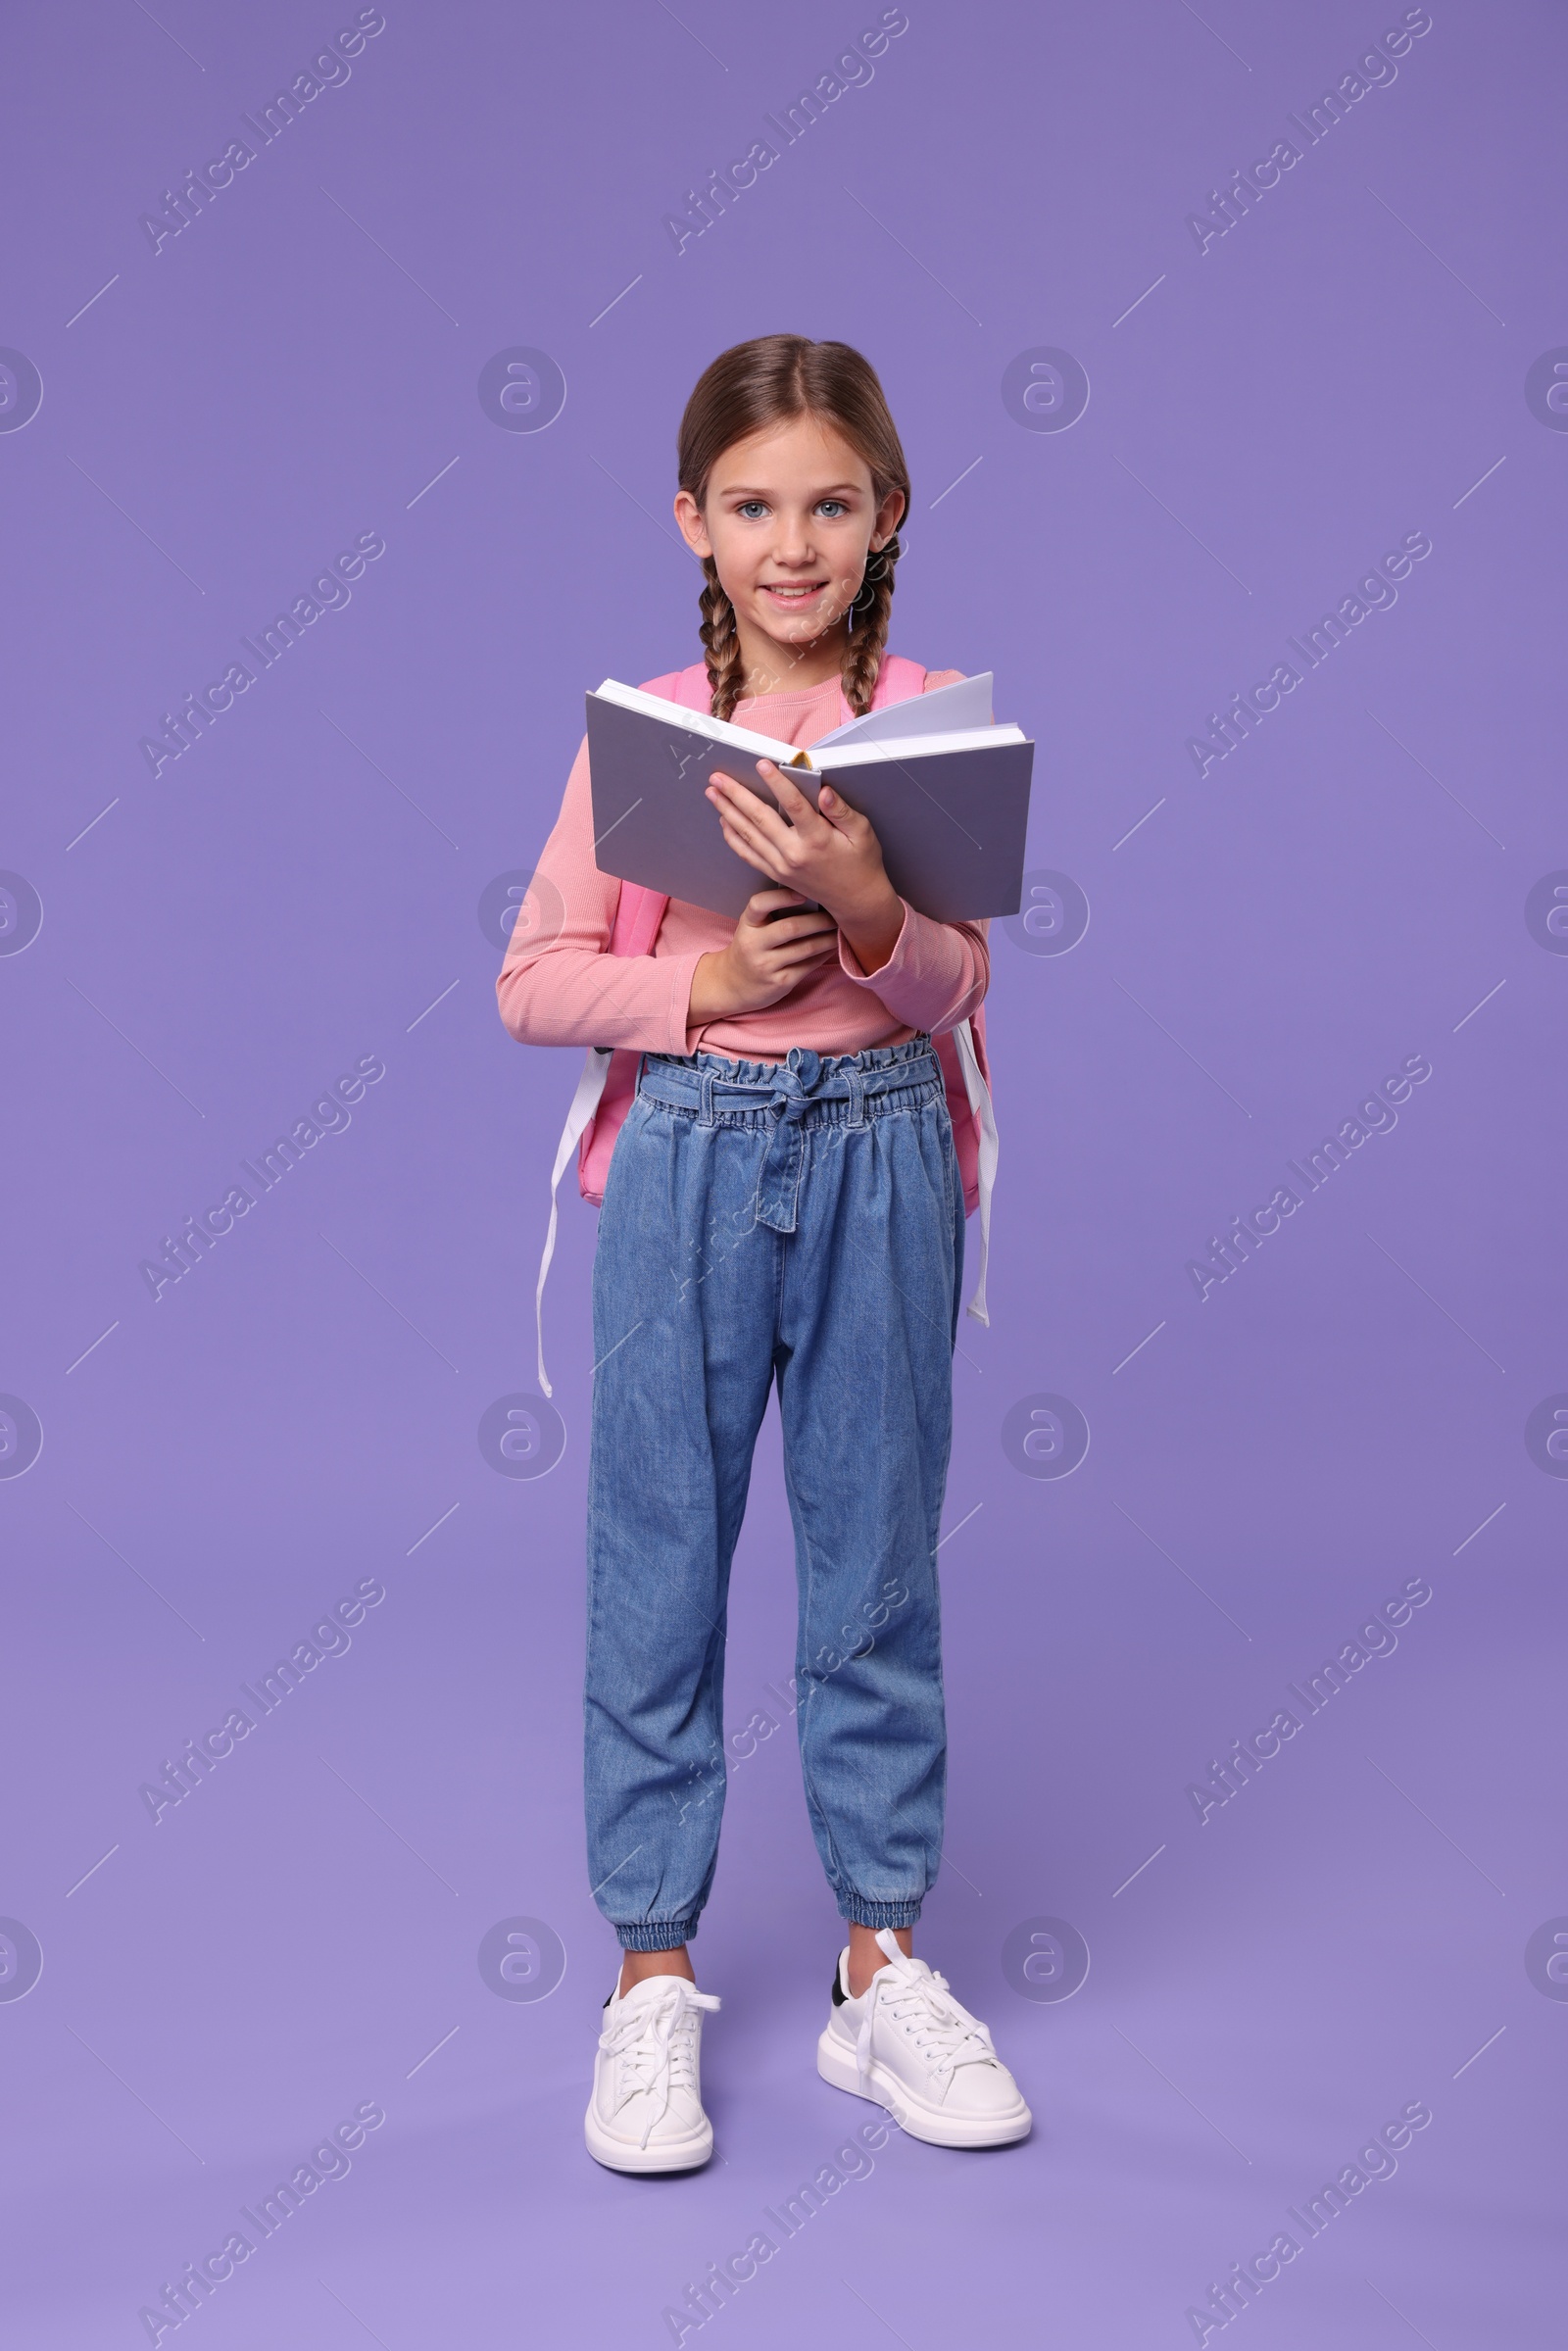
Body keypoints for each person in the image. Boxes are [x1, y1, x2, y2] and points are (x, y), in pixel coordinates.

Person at [496, 334, 1029, 2172]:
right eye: (750, 506)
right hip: (693, 1166)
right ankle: (652, 1980)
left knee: (874, 1563)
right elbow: (531, 982)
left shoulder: (938, 714)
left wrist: (882, 916)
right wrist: (700, 987)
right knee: (659, 1566)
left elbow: (963, 986)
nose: (790, 543)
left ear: (887, 515)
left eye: (829, 501)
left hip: (883, 1153)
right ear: (691, 521)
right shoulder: (643, 728)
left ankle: (880, 1968)